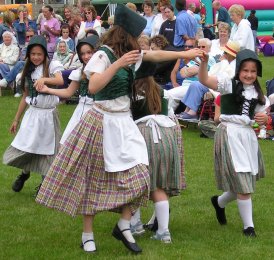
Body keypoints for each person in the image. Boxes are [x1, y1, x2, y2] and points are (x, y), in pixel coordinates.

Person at [36, 4, 202, 254]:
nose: (138, 41)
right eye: (135, 35)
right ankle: (87, 234)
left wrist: (183, 55)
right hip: (101, 121)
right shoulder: (103, 54)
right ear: (125, 35)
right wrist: (118, 64)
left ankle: (124, 224)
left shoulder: (130, 54)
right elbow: (93, 87)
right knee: (92, 178)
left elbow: (154, 56)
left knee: (141, 175)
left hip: (124, 122)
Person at [199, 48, 268, 237]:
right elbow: (204, 80)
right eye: (245, 70)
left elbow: (263, 117)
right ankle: (249, 228)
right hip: (229, 134)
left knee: (244, 180)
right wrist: (204, 63)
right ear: (238, 70)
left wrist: (264, 120)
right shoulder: (228, 85)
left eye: (253, 71)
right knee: (243, 182)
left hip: (247, 137)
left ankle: (219, 202)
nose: (249, 74)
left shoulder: (259, 95)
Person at [130, 61, 185, 243]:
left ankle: (135, 224)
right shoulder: (161, 92)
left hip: (144, 137)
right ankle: (163, 231)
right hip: (166, 138)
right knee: (159, 185)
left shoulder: (132, 94)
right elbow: (170, 115)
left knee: (137, 181)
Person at [2, 35, 64, 195]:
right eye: (33, 54)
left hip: (49, 115)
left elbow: (60, 81)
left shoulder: (52, 66)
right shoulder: (28, 70)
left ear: (45, 54)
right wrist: (16, 118)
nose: (36, 57)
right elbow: (25, 96)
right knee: (28, 146)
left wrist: (44, 79)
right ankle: (24, 173)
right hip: (33, 115)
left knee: (48, 150)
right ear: (29, 55)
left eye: (39, 54)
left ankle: (44, 184)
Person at [37, 35, 99, 144]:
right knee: (67, 144)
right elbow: (68, 92)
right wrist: (48, 90)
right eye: (83, 54)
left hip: (97, 113)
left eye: (89, 52)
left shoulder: (104, 72)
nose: (86, 56)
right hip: (80, 111)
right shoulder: (80, 72)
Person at [179, 41, 240, 120]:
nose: (224, 54)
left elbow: (225, 77)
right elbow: (213, 71)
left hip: (219, 85)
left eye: (225, 52)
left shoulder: (232, 65)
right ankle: (187, 110)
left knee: (197, 85)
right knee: (195, 84)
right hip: (213, 81)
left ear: (230, 55)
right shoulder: (225, 62)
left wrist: (223, 62)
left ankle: (193, 111)